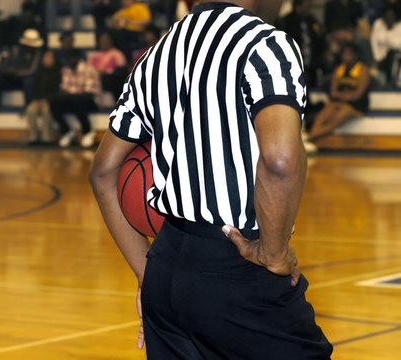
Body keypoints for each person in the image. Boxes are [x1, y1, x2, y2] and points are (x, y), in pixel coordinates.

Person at [89, 1, 333, 359]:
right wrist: (274, 251)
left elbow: (103, 173)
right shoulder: (265, 44)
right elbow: (280, 160)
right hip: (237, 265)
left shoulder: (156, 55)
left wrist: (148, 276)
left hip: (166, 264)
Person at [309, 42, 370, 140]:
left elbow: (358, 94)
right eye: (344, 53)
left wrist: (343, 96)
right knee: (321, 116)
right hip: (337, 102)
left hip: (356, 105)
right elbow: (333, 92)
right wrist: (345, 96)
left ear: (356, 55)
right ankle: (309, 137)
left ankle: (308, 138)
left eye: (349, 53)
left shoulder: (362, 70)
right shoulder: (338, 69)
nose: (346, 56)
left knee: (334, 120)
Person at [50, 50, 102, 148]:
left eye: (70, 58)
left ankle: (87, 132)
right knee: (54, 103)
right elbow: (64, 90)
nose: (68, 61)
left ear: (78, 58)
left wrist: (70, 95)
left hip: (91, 101)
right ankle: (67, 132)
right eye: (67, 59)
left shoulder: (89, 69)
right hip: (74, 100)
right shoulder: (66, 70)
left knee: (79, 101)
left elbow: (89, 93)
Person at [276, 0, 326, 88]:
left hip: (312, 65)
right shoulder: (286, 22)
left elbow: (321, 40)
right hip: (293, 64)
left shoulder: (312, 21)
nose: (310, 4)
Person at [0, 28, 43, 104]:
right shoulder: (16, 50)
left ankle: (29, 104)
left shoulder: (38, 53)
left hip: (27, 77)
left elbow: (32, 70)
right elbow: (5, 65)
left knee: (28, 82)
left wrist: (16, 72)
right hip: (12, 77)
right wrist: (9, 70)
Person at [24, 50, 61, 144]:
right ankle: (33, 137)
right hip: (38, 99)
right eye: (45, 57)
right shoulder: (40, 72)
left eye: (49, 57)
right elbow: (35, 88)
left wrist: (47, 99)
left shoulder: (59, 72)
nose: (46, 60)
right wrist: (39, 99)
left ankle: (47, 138)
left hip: (52, 100)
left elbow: (59, 91)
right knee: (30, 109)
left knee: (46, 110)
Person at [87, 31, 127, 100]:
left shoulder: (117, 54)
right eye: (101, 40)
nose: (104, 42)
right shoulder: (93, 55)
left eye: (106, 40)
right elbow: (88, 69)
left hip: (109, 80)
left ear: (111, 41)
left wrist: (105, 72)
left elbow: (121, 71)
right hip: (94, 79)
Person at [370, 5, 401, 86]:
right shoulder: (378, 23)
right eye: (387, 15)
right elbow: (374, 42)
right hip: (379, 57)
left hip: (396, 56)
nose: (389, 17)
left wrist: (389, 32)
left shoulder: (400, 26)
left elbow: (398, 45)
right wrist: (378, 58)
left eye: (391, 15)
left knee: (394, 54)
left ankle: (393, 81)